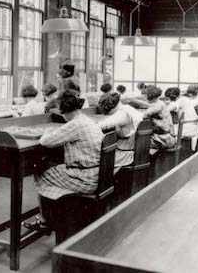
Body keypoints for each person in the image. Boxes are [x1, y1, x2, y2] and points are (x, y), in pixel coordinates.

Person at [23, 89, 104, 230]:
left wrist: (47, 131)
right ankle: (53, 215)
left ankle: (46, 220)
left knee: (40, 172)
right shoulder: (86, 120)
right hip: (98, 174)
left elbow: (46, 142)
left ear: (65, 109)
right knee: (53, 167)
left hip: (86, 180)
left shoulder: (75, 124)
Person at [98, 92, 143, 173]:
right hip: (135, 147)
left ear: (109, 107)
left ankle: (106, 183)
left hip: (127, 152)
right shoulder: (127, 108)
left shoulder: (122, 113)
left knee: (100, 160)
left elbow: (104, 124)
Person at [143, 85, 176, 150]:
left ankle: (147, 159)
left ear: (149, 96)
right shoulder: (161, 103)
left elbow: (143, 115)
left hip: (163, 139)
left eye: (145, 95)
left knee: (139, 141)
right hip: (168, 137)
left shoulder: (156, 106)